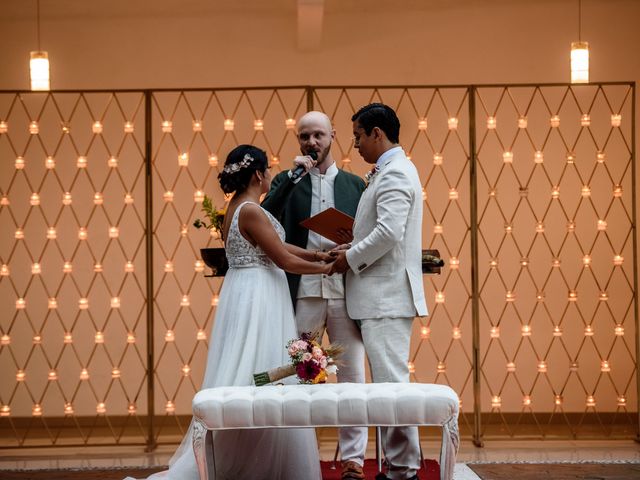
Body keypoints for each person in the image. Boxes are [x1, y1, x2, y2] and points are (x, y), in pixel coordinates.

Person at [127, 144, 332, 480]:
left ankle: (257, 457)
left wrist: (318, 256)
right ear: (257, 174)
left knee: (253, 371)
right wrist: (329, 269)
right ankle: (252, 460)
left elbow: (277, 247)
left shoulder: (238, 207)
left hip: (249, 290)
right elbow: (282, 259)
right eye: (267, 172)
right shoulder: (250, 209)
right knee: (256, 372)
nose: (270, 177)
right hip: (258, 297)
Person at [262, 111, 368, 480]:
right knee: (300, 375)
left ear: (333, 136)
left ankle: (353, 460)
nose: (312, 143)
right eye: (305, 136)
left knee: (352, 376)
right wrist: (291, 179)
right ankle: (299, 458)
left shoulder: (356, 185)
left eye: (318, 135)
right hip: (304, 293)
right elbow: (264, 217)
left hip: (346, 295)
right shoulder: (285, 181)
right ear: (298, 140)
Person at [330, 104, 428, 480]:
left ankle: (403, 470)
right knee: (388, 386)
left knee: (391, 387)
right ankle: (398, 466)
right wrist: (350, 246)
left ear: (376, 133)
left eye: (357, 136)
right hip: (377, 297)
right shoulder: (388, 171)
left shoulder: (396, 173)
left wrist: (349, 258)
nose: (354, 144)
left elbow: (388, 234)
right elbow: (379, 229)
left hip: (385, 298)